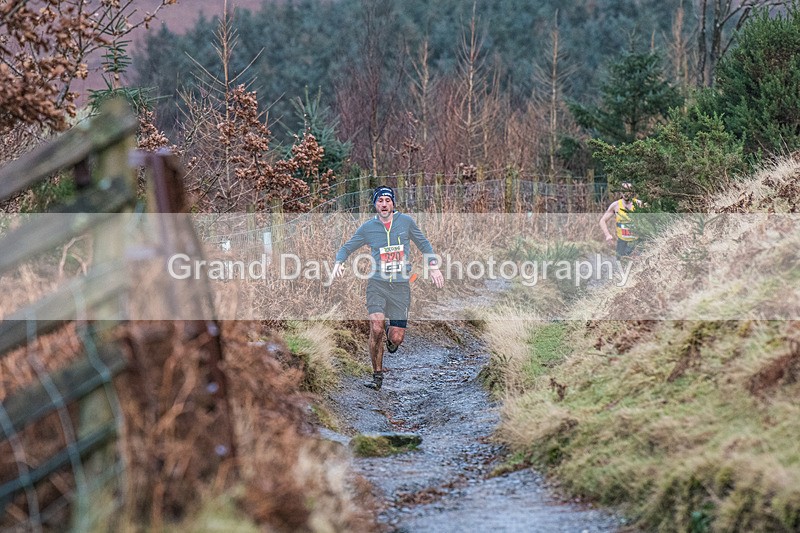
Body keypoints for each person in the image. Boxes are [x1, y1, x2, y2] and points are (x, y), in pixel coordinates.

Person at [332, 185, 444, 391]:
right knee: (376, 327)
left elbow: (424, 244)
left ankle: (390, 339)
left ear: (393, 203)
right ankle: (377, 376)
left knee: (396, 338)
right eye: (380, 201)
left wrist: (434, 267)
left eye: (387, 200)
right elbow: (347, 247)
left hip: (401, 287)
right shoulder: (368, 228)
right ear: (375, 204)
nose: (384, 204)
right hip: (377, 284)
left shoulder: (406, 222)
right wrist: (339, 262)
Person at [599, 181, 644, 259]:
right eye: (623, 190)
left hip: (636, 242)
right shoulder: (615, 205)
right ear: (620, 192)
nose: (626, 193)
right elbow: (602, 221)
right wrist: (608, 235)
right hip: (622, 242)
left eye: (628, 190)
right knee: (620, 263)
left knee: (637, 263)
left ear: (632, 192)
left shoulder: (639, 204)